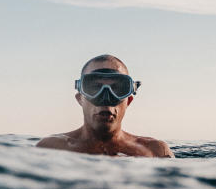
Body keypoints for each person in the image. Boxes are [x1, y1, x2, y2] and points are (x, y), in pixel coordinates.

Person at [36, 54, 174, 157]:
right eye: (94, 88)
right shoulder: (52, 148)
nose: (106, 98)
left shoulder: (155, 150)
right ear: (80, 99)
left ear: (129, 101)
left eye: (118, 89)